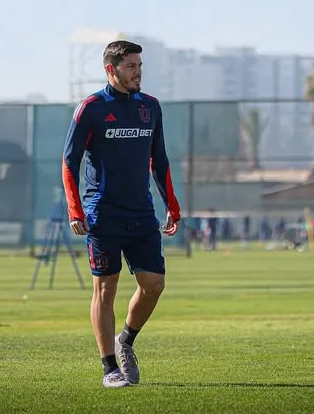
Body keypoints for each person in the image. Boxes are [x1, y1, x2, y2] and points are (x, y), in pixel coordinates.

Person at [62, 39, 181, 389]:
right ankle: (109, 368)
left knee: (154, 284)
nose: (138, 73)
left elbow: (159, 160)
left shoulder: (151, 107)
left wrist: (172, 206)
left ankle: (125, 341)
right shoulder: (91, 109)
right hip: (103, 214)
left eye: (140, 66)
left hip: (141, 212)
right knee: (105, 289)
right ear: (110, 69)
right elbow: (69, 162)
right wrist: (75, 208)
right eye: (131, 66)